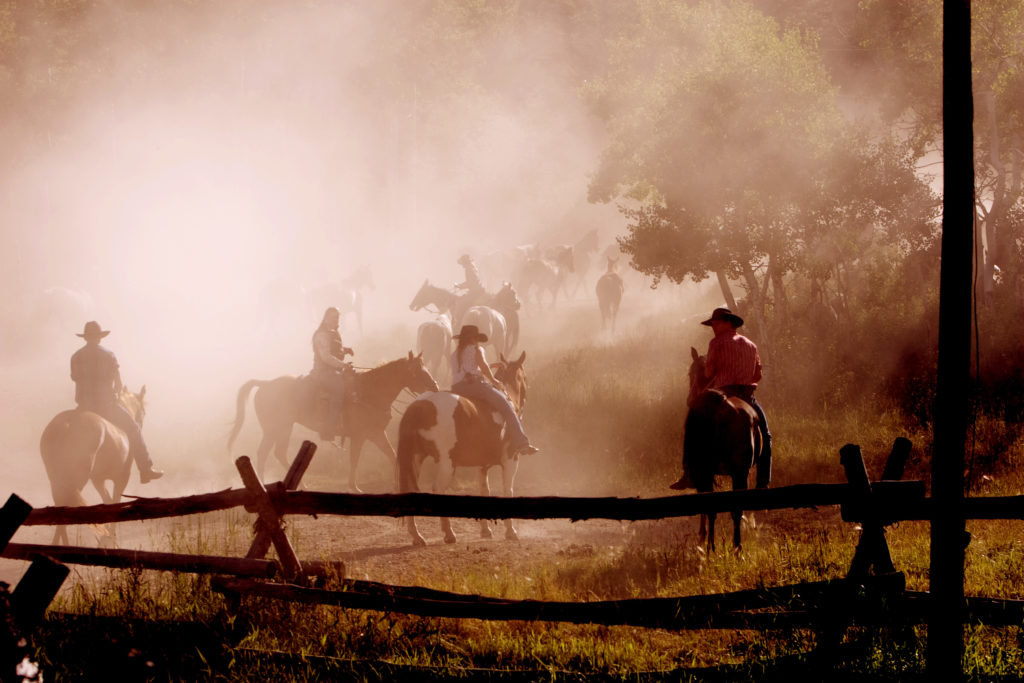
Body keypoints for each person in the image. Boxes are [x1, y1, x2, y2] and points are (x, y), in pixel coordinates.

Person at [671, 307, 772, 490]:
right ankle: (763, 482)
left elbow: (709, 372)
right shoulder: (751, 344)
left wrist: (712, 372)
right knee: (765, 435)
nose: (714, 327)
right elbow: (758, 375)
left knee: (691, 428)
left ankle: (688, 473)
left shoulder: (716, 343)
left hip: (721, 395)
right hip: (747, 396)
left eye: (716, 323)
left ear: (728, 322)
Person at [70, 321, 163, 483]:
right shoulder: (109, 355)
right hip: (105, 406)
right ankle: (145, 469)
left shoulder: (76, 356)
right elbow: (118, 384)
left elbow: (74, 378)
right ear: (99, 337)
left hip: (83, 407)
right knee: (134, 428)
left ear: (85, 338)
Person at [450, 324, 538, 457]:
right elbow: (483, 367)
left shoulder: (455, 353)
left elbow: (470, 368)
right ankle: (522, 444)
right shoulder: (477, 349)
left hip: (457, 387)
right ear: (474, 338)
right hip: (475, 385)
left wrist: (494, 365)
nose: (477, 341)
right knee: (507, 406)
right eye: (476, 338)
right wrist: (494, 380)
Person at [311, 306, 354, 440]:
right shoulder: (322, 334)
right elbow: (325, 356)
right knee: (339, 388)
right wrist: (343, 365)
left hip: (334, 370)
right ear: (326, 319)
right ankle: (330, 427)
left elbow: (335, 349)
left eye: (338, 317)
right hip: (323, 372)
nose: (337, 320)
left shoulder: (332, 332)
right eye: (334, 317)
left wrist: (346, 350)